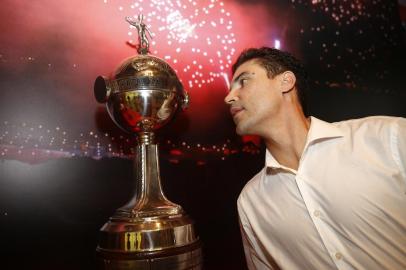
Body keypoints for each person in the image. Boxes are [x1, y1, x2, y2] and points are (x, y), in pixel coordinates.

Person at [224, 47, 406, 270]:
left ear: (286, 82)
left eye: (243, 82)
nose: (229, 97)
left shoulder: (387, 137)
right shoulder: (251, 202)